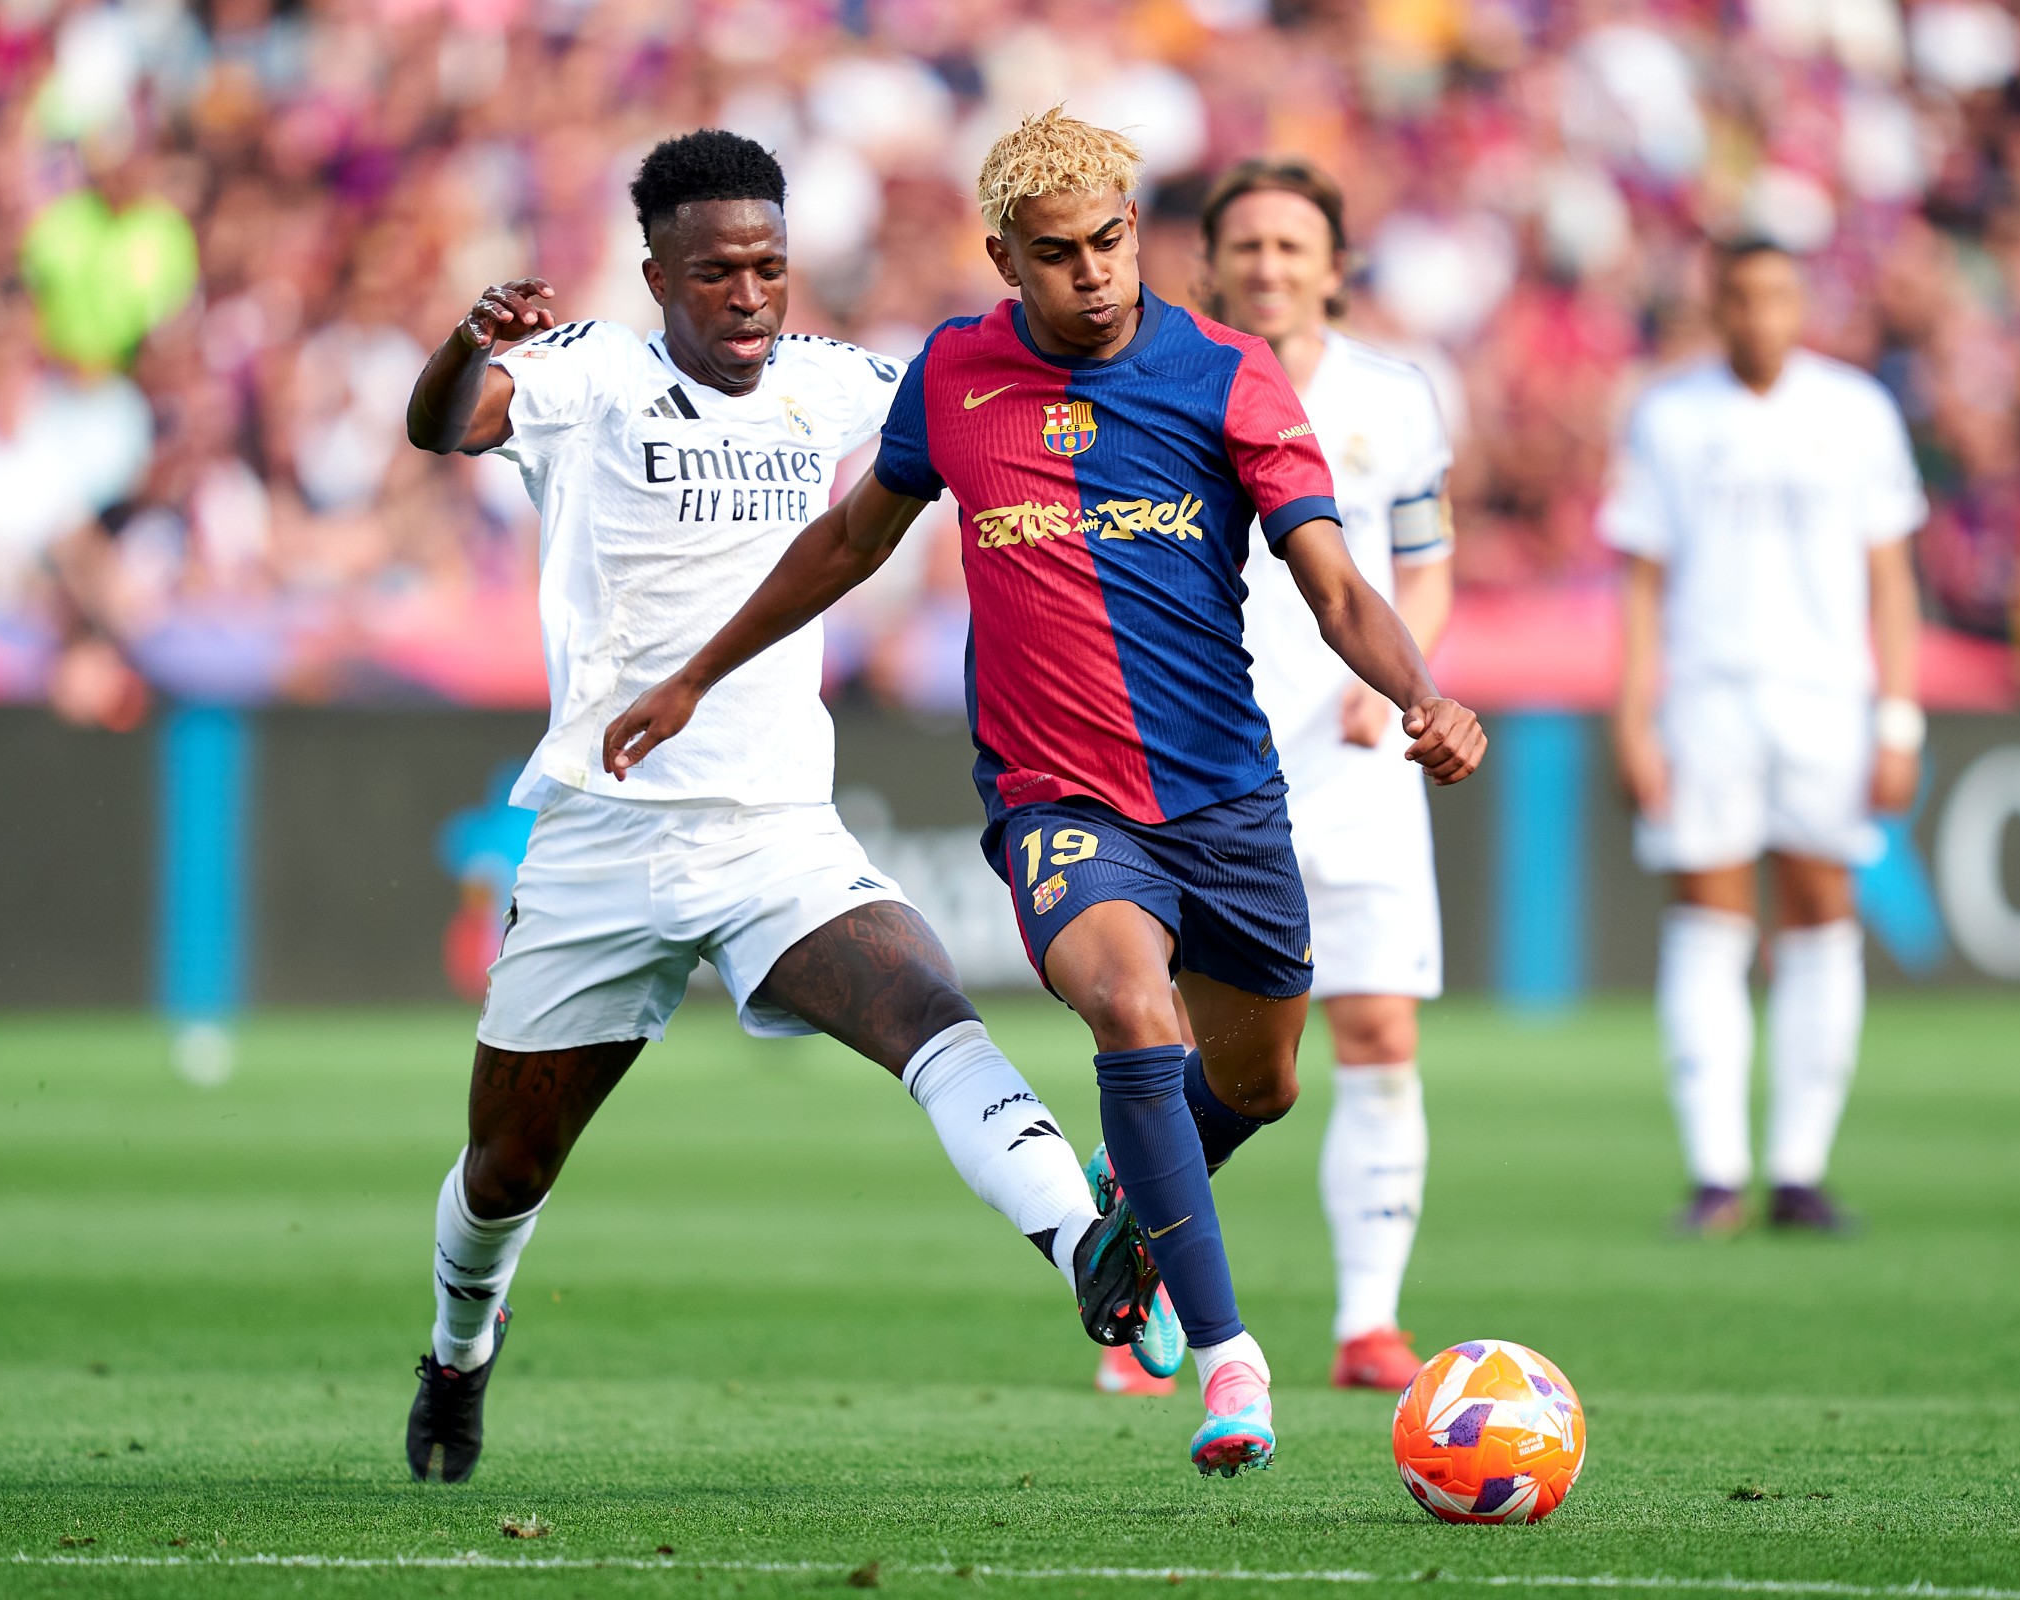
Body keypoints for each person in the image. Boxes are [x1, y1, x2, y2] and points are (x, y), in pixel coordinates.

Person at [602, 109, 1488, 1477]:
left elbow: (1333, 583)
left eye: (1111, 242)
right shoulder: (956, 374)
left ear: (1136, 233)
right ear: (1004, 258)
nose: (1093, 273)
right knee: (1132, 1011)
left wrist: (1423, 691)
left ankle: (1128, 1200)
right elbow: (849, 542)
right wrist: (695, 676)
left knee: (1258, 1084)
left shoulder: (1231, 376)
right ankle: (1228, 1362)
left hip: (1225, 801)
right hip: (1058, 797)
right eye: (1059, 252)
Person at [396, 129, 1172, 1486]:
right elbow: (443, 423)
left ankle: (1080, 1241)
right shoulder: (588, 374)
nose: (750, 295)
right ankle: (460, 1349)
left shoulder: (831, 382)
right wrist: (468, 343)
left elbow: (976, 407)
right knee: (507, 1167)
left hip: (774, 837)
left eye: (769, 266)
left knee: (930, 1012)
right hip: (603, 837)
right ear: (658, 277)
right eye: (716, 273)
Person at [1175, 157, 1454, 1395]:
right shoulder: (1172, 382)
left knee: (1379, 1031)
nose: (1269, 266)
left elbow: (1423, 563)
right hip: (1211, 769)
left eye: (1293, 245)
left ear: (1335, 267)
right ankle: (1154, 1296)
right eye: (1247, 245)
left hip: (1356, 765)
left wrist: (1398, 677)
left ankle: (1368, 1321)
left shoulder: (1396, 397)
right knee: (1195, 1055)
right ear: (1210, 264)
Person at [1600, 238, 1926, 1237]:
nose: (1760, 314)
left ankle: (1798, 1167)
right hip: (1709, 694)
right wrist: (1635, 713)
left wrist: (1899, 715)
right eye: (1741, 296)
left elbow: (1891, 577)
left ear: (1802, 304)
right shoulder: (1669, 413)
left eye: (1779, 295)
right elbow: (1643, 581)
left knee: (1823, 907)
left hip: (1828, 697)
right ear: (1716, 305)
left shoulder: (1857, 411)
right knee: (1710, 913)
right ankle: (1716, 1170)